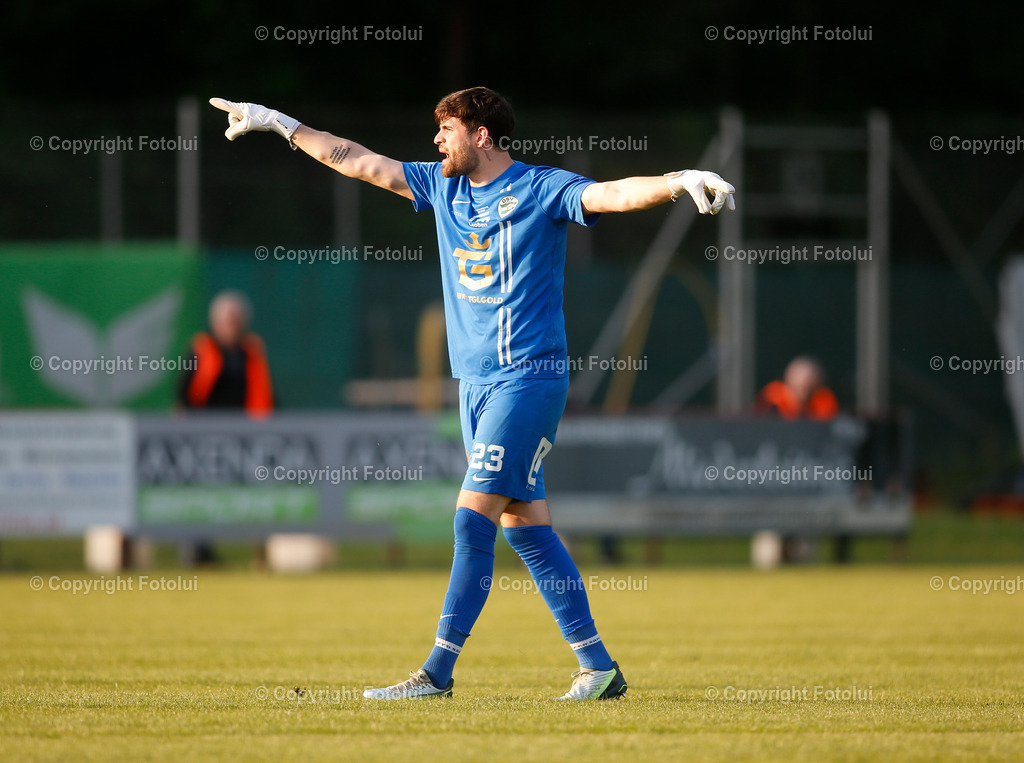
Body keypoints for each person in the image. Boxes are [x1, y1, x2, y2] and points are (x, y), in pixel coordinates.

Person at [210, 88, 735, 700]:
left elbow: (611, 194)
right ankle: (600, 670)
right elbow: (355, 159)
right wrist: (281, 124)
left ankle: (436, 674)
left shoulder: (541, 188)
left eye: (447, 129)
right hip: (477, 386)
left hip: (529, 379)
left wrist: (677, 179)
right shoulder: (442, 187)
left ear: (482, 135)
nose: (436, 141)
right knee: (525, 528)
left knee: (470, 519)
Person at [177, 290, 274, 418]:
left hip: (244, 424)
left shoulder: (253, 351)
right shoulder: (201, 349)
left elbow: (265, 395)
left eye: (235, 322)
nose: (231, 328)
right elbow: (185, 394)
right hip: (204, 422)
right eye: (227, 322)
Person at [756, 356, 838, 421]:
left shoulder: (823, 399)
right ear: (788, 379)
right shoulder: (772, 398)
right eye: (798, 385)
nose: (803, 388)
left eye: (809, 386)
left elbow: (824, 428)